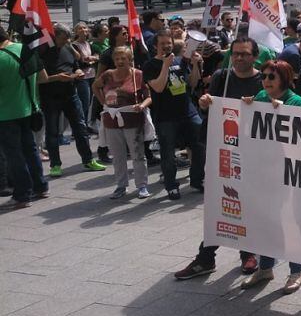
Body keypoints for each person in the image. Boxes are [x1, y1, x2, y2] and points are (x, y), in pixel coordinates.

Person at [174, 37, 264, 281]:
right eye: (236, 53)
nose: (239, 58)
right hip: (221, 151)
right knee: (219, 203)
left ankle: (247, 251)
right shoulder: (221, 77)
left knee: (245, 203)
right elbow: (210, 108)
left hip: (251, 154)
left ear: (255, 56)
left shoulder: (262, 80)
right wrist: (205, 103)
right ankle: (206, 257)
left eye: (245, 54)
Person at [239, 60, 301, 293]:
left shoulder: (295, 101)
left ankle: (296, 272)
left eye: (272, 77)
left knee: (287, 222)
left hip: (287, 173)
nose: (266, 81)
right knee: (266, 221)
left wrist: (284, 112)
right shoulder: (260, 96)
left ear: (284, 79)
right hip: (263, 170)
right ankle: (265, 267)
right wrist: (248, 105)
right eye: (265, 76)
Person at [144, 33, 204, 200]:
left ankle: (197, 180)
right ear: (155, 46)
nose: (166, 46)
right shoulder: (150, 65)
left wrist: (194, 64)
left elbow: (192, 83)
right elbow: (158, 87)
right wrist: (165, 66)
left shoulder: (180, 61)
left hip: (188, 112)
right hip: (166, 117)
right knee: (168, 153)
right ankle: (171, 185)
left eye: (168, 43)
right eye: (162, 43)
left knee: (200, 145)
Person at [39, 24, 102, 176]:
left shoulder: (67, 48)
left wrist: (78, 71)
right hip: (51, 97)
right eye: (63, 38)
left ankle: (87, 160)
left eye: (68, 38)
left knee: (80, 127)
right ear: (54, 36)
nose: (66, 41)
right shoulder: (43, 51)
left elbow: (76, 66)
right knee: (52, 131)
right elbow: (39, 78)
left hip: (71, 94)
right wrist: (57, 78)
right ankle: (55, 165)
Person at [92, 46, 152, 199]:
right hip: (112, 120)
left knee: (137, 154)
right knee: (118, 155)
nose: (120, 61)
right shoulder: (107, 75)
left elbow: (148, 96)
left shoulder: (138, 75)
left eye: (123, 58)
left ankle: (142, 185)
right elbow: (95, 86)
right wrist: (103, 103)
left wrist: (142, 105)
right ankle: (121, 185)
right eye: (117, 58)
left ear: (130, 59)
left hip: (133, 119)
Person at [0, 26, 48, 209]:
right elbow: (42, 77)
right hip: (28, 109)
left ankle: (22, 194)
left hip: (5, 114)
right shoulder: (26, 49)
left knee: (14, 155)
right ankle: (41, 186)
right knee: (30, 150)